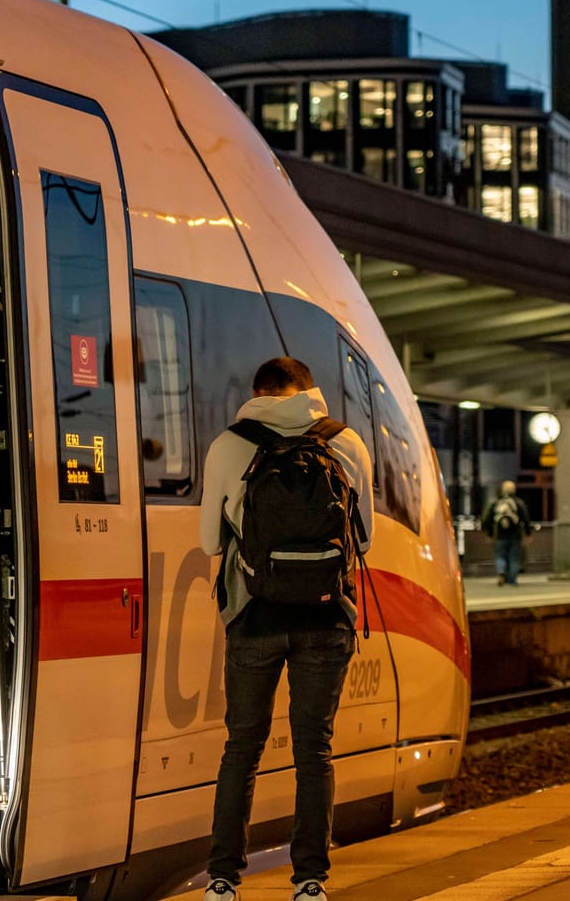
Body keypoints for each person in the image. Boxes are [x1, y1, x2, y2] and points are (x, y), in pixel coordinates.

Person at [198, 356, 374, 901]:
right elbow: (362, 542)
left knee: (242, 747)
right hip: (326, 619)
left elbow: (209, 542)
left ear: (258, 393)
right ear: (308, 391)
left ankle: (224, 879)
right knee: (313, 748)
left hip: (254, 619)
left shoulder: (230, 445)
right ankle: (310, 882)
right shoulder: (346, 443)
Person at [486, 479, 532, 586]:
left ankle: (501, 572)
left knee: (500, 555)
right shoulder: (518, 502)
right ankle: (512, 580)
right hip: (515, 535)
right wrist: (528, 533)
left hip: (500, 535)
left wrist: (489, 533)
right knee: (514, 557)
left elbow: (488, 519)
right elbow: (525, 518)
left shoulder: (496, 502)